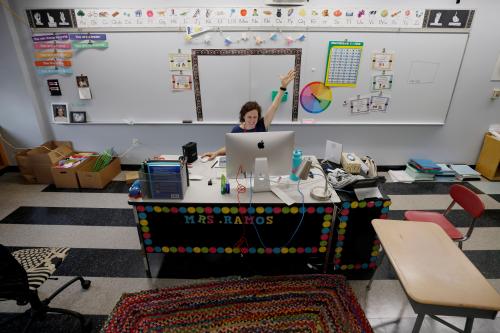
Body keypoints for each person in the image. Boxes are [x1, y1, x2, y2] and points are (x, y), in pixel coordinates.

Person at [202, 69, 295, 161]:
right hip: (243, 164)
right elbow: (230, 148)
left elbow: (274, 106)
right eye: (249, 117)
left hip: (261, 162)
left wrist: (283, 87)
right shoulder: (236, 130)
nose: (252, 120)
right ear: (243, 116)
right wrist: (216, 152)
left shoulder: (262, 124)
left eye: (255, 117)